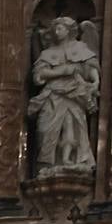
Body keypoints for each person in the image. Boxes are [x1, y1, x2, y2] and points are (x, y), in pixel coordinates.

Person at [28, 16, 100, 175]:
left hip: (74, 92)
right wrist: (60, 71)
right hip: (52, 93)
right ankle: (46, 163)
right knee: (44, 128)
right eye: (55, 29)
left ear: (69, 30)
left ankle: (70, 160)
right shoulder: (48, 53)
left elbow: (90, 68)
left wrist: (95, 82)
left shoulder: (80, 48)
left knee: (72, 127)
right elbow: (38, 75)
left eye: (60, 28)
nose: (56, 31)